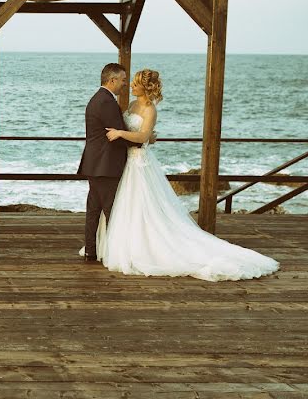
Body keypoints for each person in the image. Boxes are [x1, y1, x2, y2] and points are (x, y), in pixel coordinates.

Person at [96, 68, 279, 281]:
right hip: (128, 161)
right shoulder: (131, 105)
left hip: (139, 162)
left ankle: (147, 248)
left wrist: (121, 133)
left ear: (145, 87)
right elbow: (140, 134)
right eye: (131, 82)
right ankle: (128, 244)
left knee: (144, 207)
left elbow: (143, 135)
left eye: (135, 83)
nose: (131, 86)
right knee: (127, 206)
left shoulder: (150, 109)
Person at [77, 63, 139, 262]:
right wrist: (142, 140)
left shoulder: (99, 99)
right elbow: (118, 133)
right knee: (112, 210)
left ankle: (91, 250)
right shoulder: (106, 102)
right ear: (112, 80)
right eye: (122, 80)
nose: (124, 84)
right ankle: (115, 254)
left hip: (96, 164)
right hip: (105, 165)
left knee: (94, 209)